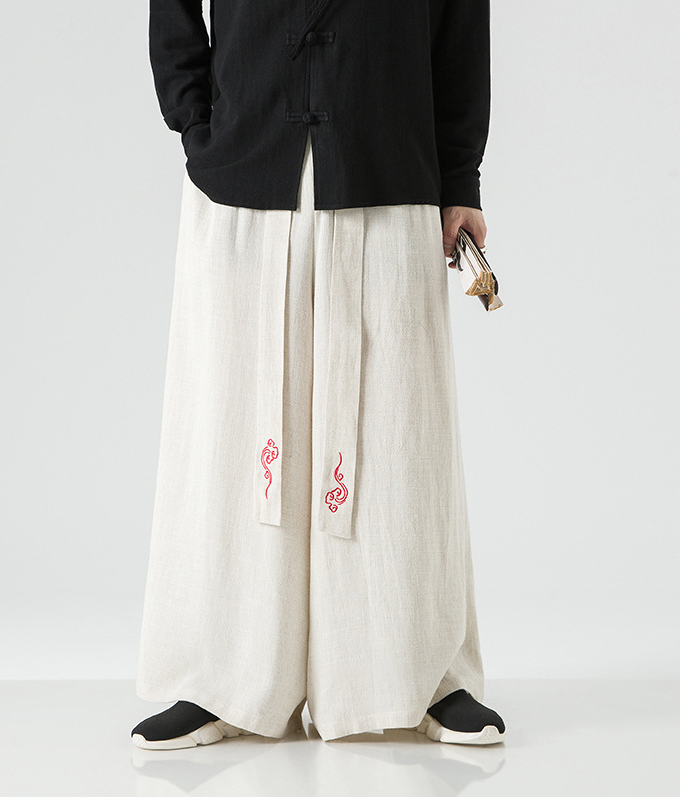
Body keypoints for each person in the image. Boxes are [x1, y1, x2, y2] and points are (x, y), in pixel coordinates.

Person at [131, 0, 506, 749]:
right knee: (232, 427)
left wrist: (459, 173)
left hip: (389, 157)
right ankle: (220, 677)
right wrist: (196, 123)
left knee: (398, 433)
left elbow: (462, 14)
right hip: (244, 160)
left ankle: (419, 674)